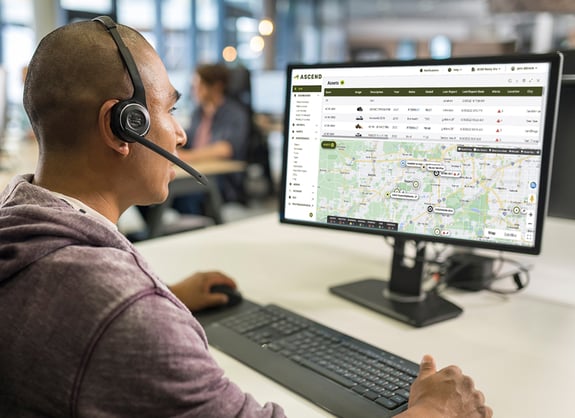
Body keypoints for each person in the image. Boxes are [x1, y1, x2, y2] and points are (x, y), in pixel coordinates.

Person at [0, 18, 492, 417]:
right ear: (123, 124)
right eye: (170, 110)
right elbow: (110, 320)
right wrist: (436, 413)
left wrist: (165, 296)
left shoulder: (22, 230)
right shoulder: (126, 316)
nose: (179, 134)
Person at [173, 63, 251, 213]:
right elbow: (187, 139)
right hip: (197, 172)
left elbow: (224, 149)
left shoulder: (235, 114)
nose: (194, 91)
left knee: (183, 197)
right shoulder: (199, 112)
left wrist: (188, 157)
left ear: (216, 87)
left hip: (221, 182)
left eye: (199, 86)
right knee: (149, 194)